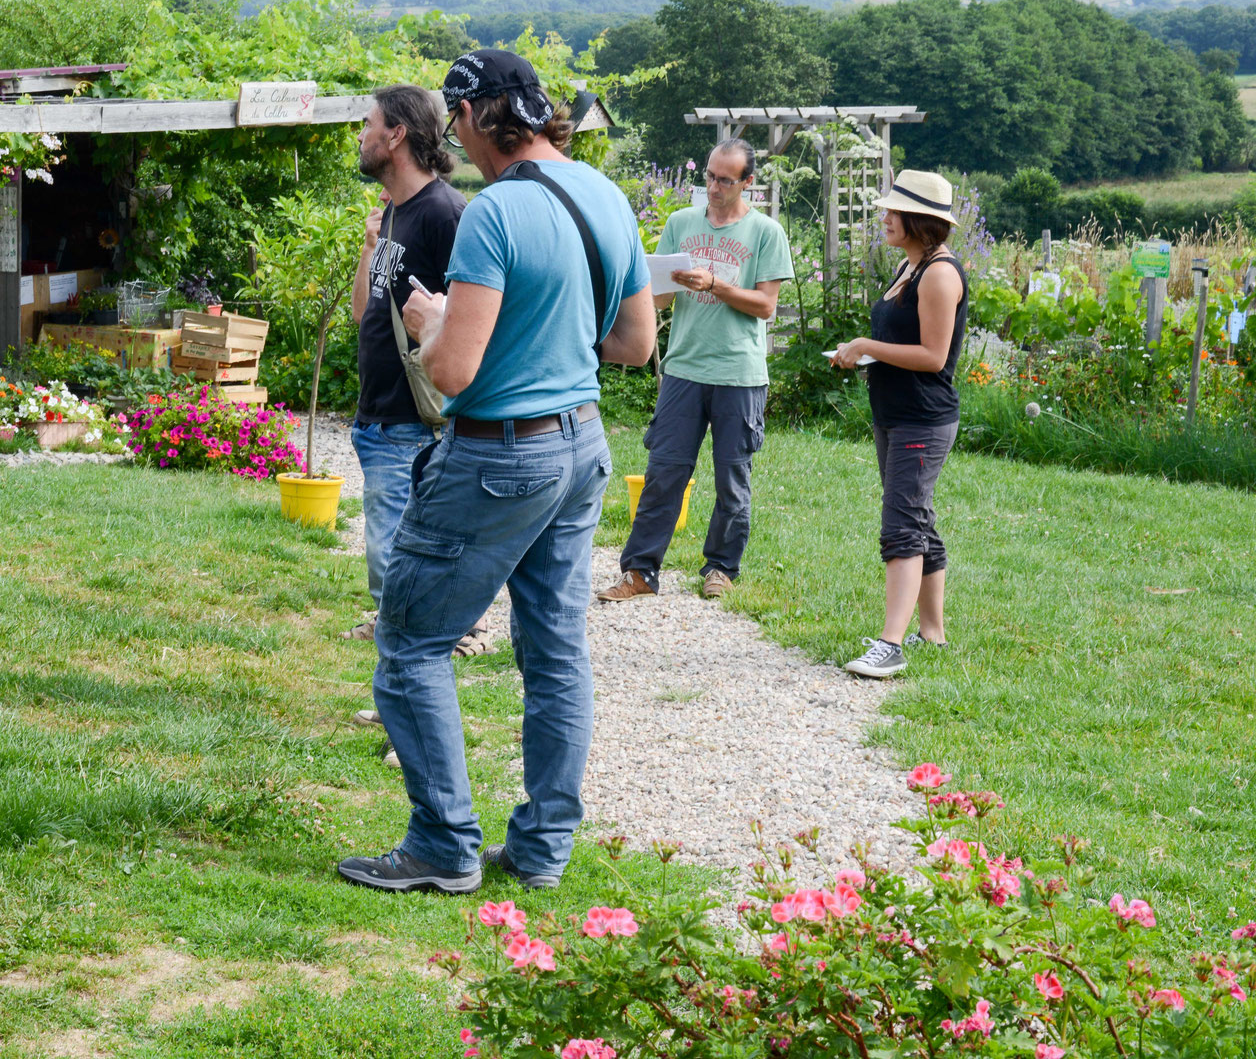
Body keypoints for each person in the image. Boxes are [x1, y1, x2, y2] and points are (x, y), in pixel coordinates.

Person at [337, 50, 654, 895]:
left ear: (474, 116)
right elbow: (634, 346)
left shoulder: (494, 213)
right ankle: (544, 849)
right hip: (581, 444)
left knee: (409, 643)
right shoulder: (604, 196)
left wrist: (437, 318)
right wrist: (543, 341)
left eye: (457, 123)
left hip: (501, 455)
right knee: (554, 652)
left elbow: (450, 373)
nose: (458, 142)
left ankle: (443, 844)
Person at [599, 138, 792, 603]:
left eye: (725, 180)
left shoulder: (766, 232)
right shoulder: (681, 223)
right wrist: (659, 283)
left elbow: (766, 306)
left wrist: (716, 284)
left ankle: (721, 568)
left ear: (748, 183)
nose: (714, 187)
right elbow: (658, 297)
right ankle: (640, 572)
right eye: (709, 176)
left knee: (732, 478)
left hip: (739, 375)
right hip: (684, 368)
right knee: (664, 471)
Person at [830, 170, 968, 679]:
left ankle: (891, 644)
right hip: (896, 413)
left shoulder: (938, 274)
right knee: (917, 518)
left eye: (892, 211)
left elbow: (933, 356)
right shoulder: (911, 267)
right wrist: (862, 354)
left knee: (902, 525)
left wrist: (865, 347)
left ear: (920, 219)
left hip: (921, 418)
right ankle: (931, 632)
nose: (883, 218)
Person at [349, 84, 466, 604]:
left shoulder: (445, 213)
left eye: (368, 124)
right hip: (377, 416)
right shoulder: (396, 209)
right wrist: (370, 245)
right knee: (389, 540)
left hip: (412, 419)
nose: (361, 135)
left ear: (396, 135)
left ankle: (431, 630)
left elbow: (470, 319)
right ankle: (397, 624)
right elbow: (363, 310)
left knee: (402, 542)